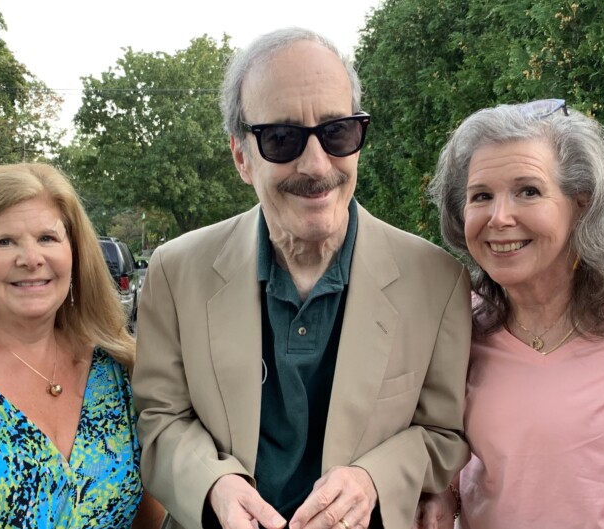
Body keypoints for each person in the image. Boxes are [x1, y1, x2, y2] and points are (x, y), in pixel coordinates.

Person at [132, 27, 472, 529]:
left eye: (337, 132)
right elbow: (160, 420)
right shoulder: (175, 270)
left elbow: (444, 435)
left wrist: (372, 479)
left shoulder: (438, 281)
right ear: (241, 156)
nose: (316, 166)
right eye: (282, 138)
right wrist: (215, 486)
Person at [416, 99, 604, 528]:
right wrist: (442, 491)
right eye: (481, 196)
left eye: (528, 191)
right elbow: (443, 444)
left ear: (580, 204)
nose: (499, 217)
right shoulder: (458, 322)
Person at [0, 163, 164, 527]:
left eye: (47, 238)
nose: (30, 258)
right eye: (3, 241)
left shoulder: (118, 369)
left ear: (74, 251)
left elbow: (149, 520)